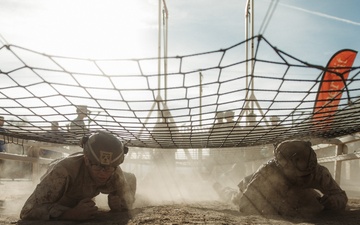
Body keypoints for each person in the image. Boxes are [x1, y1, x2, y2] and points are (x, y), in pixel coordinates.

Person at [20, 131, 137, 221]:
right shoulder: (63, 172)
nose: (103, 173)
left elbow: (127, 200)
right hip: (62, 195)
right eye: (97, 166)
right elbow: (27, 211)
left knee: (130, 178)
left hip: (84, 191)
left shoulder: (114, 171)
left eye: (108, 168)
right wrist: (70, 214)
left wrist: (119, 205)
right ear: (86, 160)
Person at [213, 140, 348, 217]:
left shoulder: (317, 172)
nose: (305, 177)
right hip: (255, 189)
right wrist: (279, 207)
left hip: (292, 195)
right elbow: (245, 205)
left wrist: (334, 202)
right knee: (234, 197)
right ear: (285, 165)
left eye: (307, 174)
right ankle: (221, 189)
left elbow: (340, 196)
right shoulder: (267, 171)